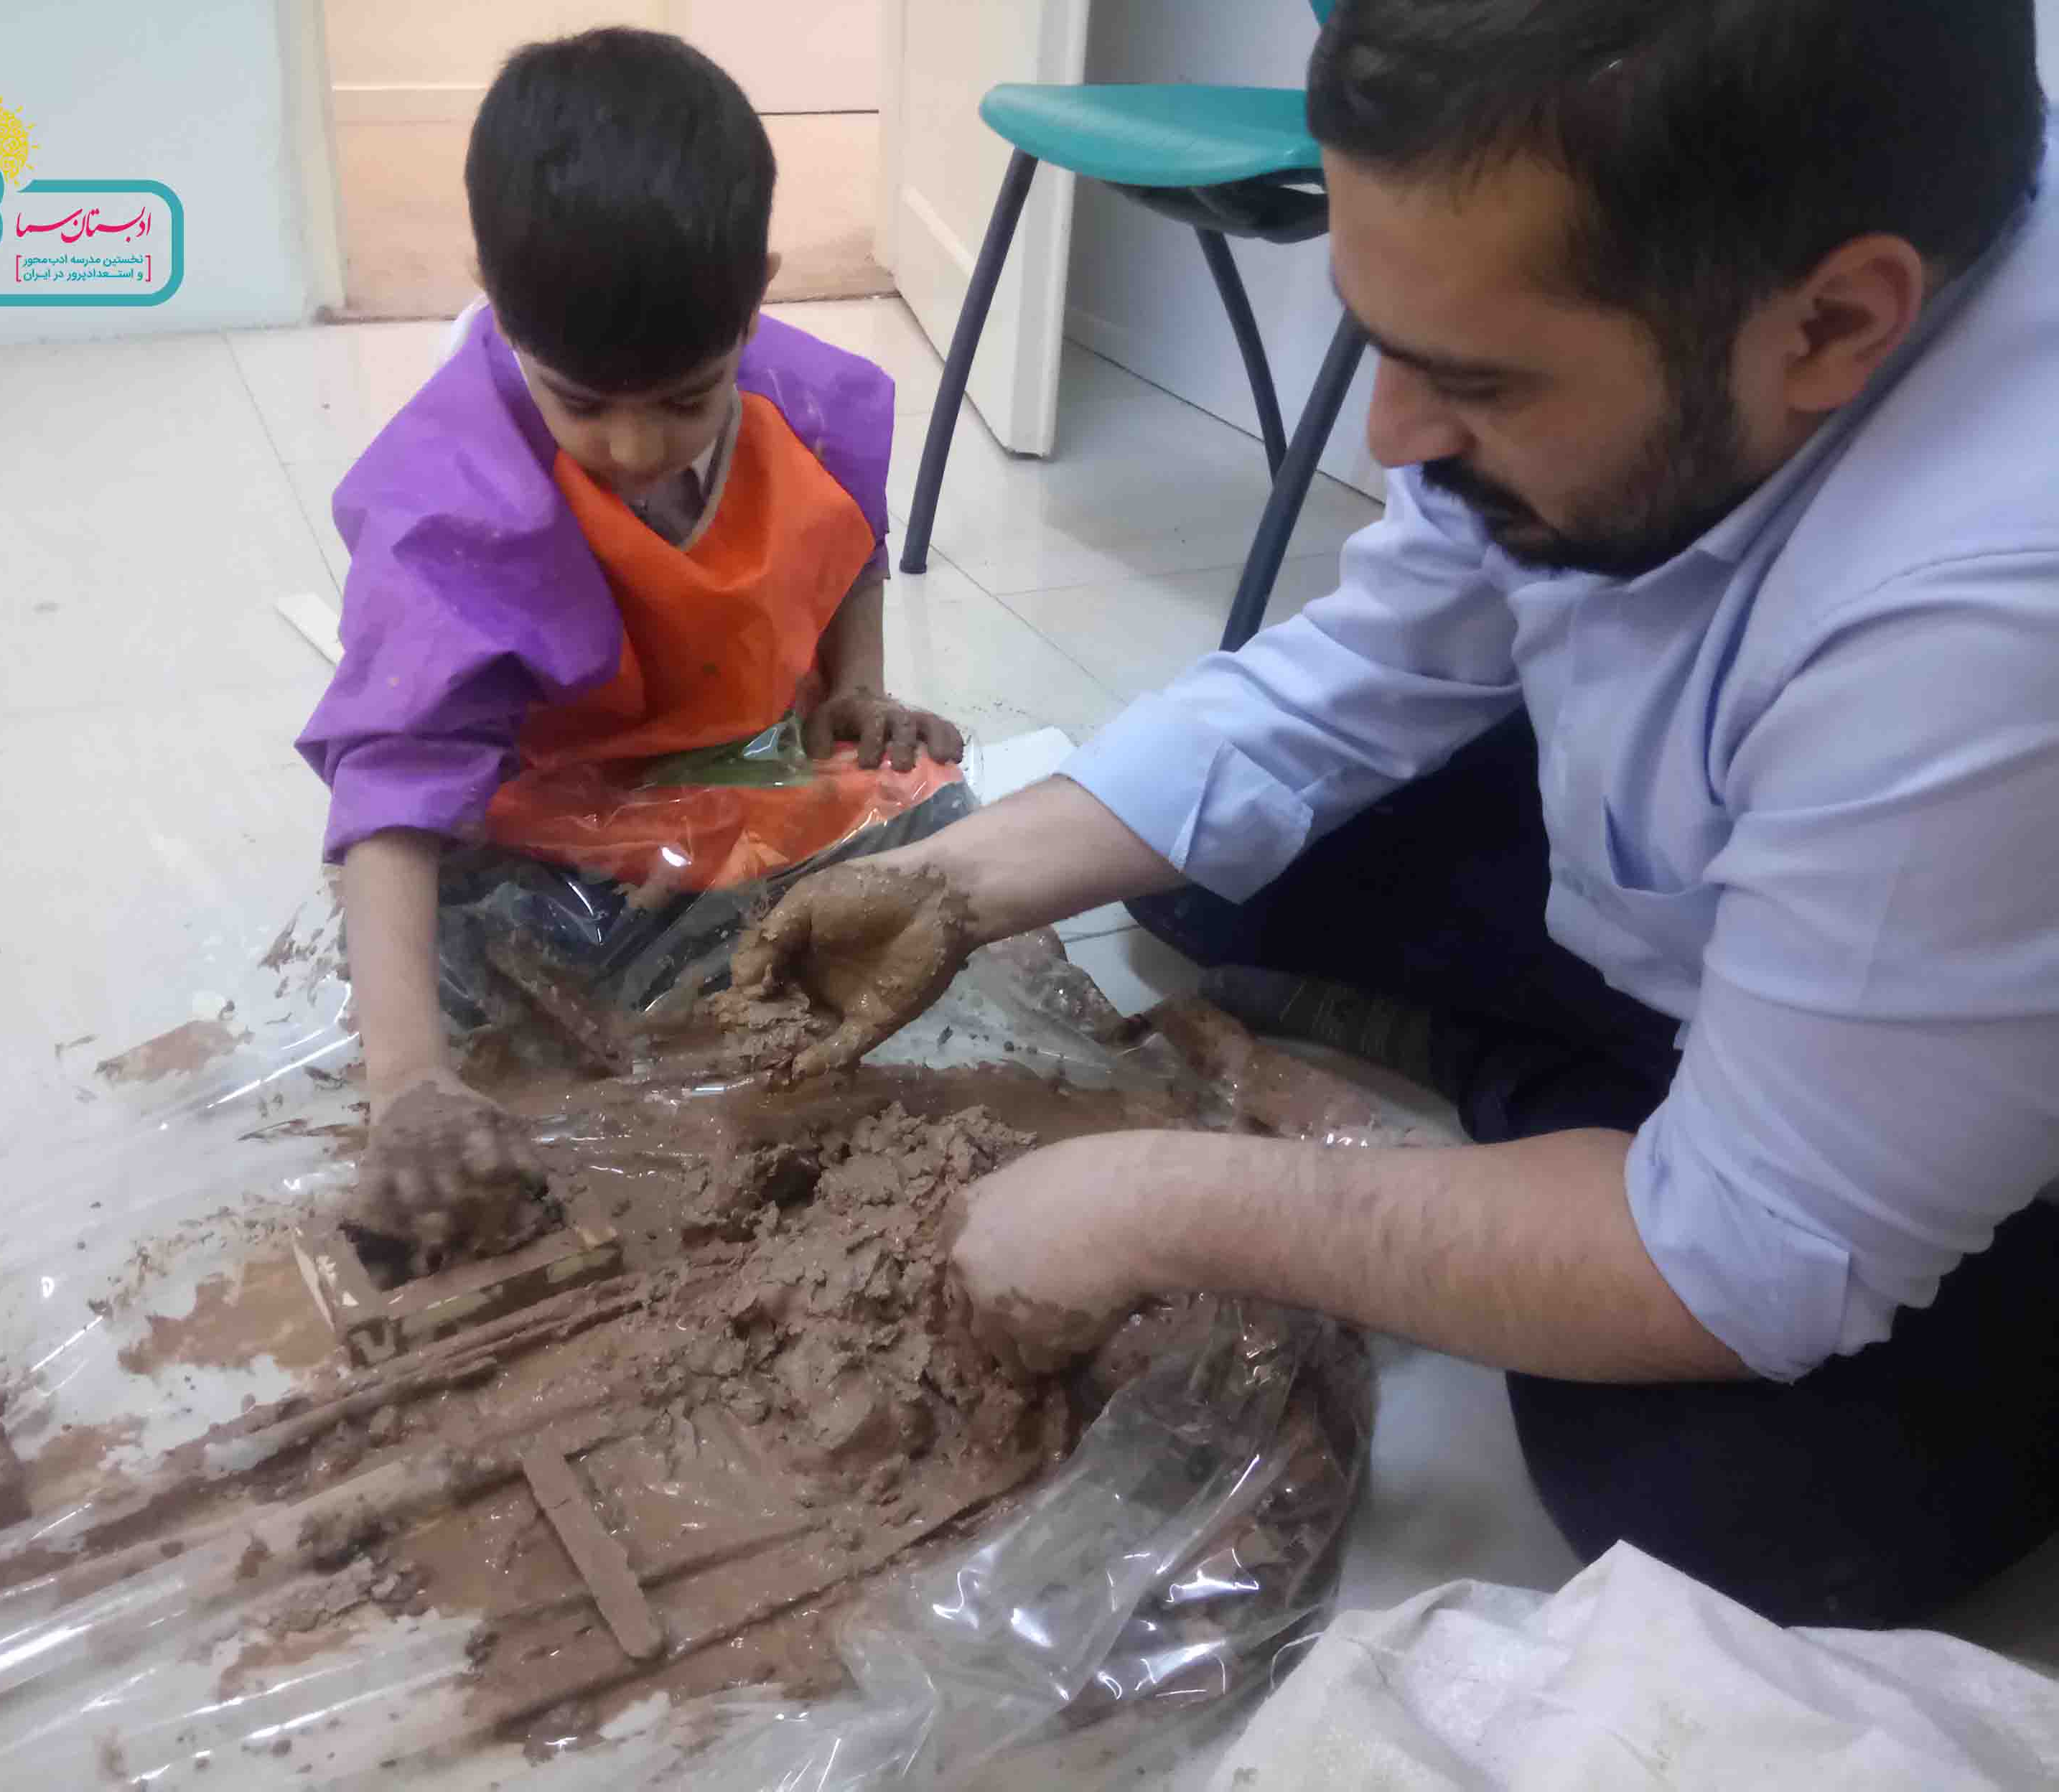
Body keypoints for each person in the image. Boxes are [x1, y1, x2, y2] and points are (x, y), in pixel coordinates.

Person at [732, 0, 2059, 1628]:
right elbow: (1368, 664)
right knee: (1205, 862)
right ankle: (1583, 1115)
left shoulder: (1998, 613)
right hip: (1794, 863)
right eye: (1379, 341)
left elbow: (1753, 1260)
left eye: (1473, 381)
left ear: (1833, 324)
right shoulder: (1696, 309)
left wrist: (1156, 1205)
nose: (1390, 440)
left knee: (1726, 1511)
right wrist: (950, 883)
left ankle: (1586, 1116)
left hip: (1991, 1055)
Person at [297, 29, 962, 1238]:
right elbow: (395, 778)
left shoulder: (806, 399)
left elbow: (850, 545)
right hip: (553, 823)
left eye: (686, 399)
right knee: (459, 965)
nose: (640, 446)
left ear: (755, 301)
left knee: (940, 826)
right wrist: (407, 1081)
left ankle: (729, 972)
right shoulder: (452, 499)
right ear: (500, 306)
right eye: (584, 403)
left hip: (738, 771)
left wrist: (854, 686)